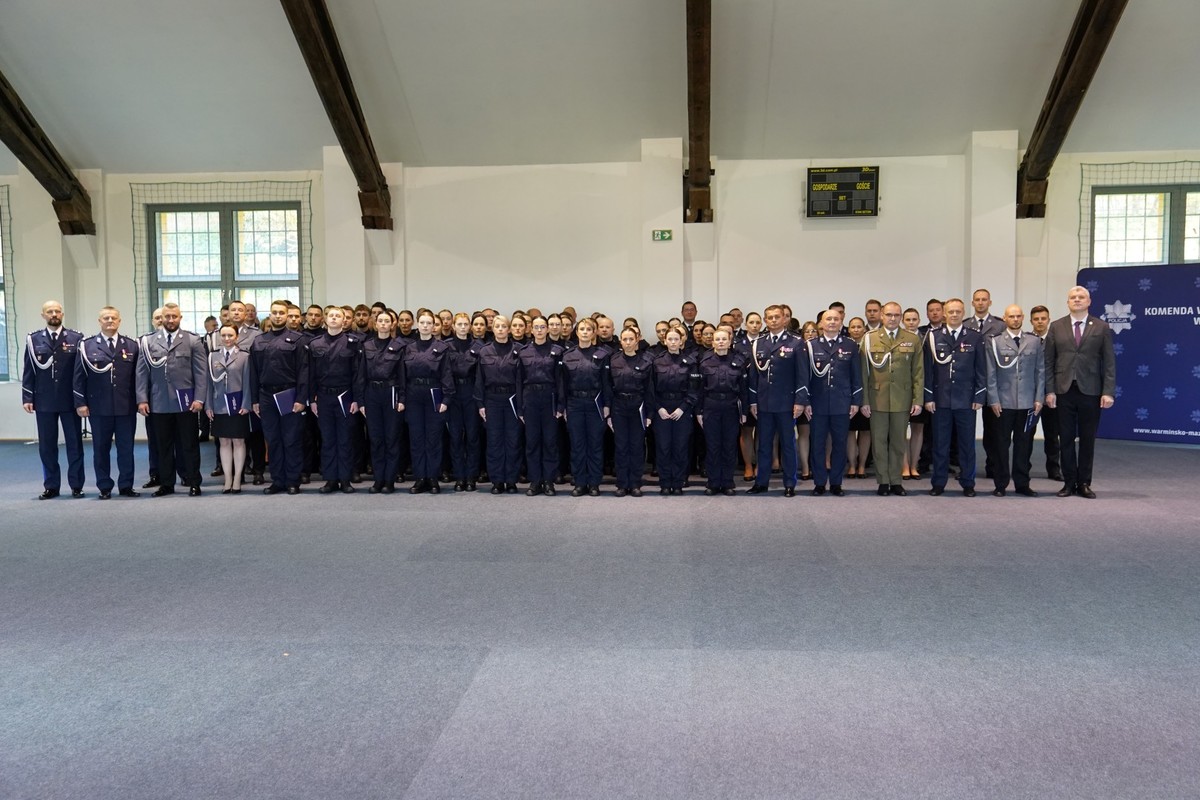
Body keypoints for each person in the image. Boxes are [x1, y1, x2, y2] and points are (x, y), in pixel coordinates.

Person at [1044, 285, 1116, 499]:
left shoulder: (1101, 327)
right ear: (1067, 302)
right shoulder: (1056, 326)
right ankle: (1068, 482)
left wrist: (1108, 392)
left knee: (1087, 439)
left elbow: (1109, 362)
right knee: (1064, 438)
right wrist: (1050, 391)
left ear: (1089, 301)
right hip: (1063, 390)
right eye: (1073, 297)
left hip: (1091, 391)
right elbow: (1048, 362)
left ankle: (1084, 482)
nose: (1077, 299)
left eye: (1081, 297)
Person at [136, 303, 208, 496]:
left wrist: (199, 399)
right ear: (162, 318)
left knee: (189, 445)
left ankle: (194, 482)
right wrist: (142, 399)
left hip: (186, 403)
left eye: (174, 316)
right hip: (159, 403)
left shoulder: (192, 340)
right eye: (167, 316)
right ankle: (167, 484)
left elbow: (201, 374)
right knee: (163, 446)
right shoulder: (149, 342)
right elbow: (142, 373)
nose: (170, 320)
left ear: (180, 317)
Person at [73, 306, 140, 499]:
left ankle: (126, 485)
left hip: (125, 406)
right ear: (99, 321)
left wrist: (139, 401)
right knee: (100, 449)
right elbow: (78, 378)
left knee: (126, 449)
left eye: (113, 318)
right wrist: (80, 403)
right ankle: (104, 486)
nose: (110, 321)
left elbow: (138, 378)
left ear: (120, 321)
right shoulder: (87, 346)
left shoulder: (131, 345)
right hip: (98, 408)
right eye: (106, 318)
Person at [22, 300, 86, 499]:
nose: (54, 314)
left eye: (57, 311)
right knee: (47, 446)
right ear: (43, 315)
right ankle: (51, 486)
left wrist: (81, 399)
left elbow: (80, 373)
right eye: (50, 311)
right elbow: (28, 371)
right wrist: (27, 396)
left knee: (75, 444)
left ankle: (76, 485)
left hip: (69, 401)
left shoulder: (76, 338)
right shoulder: (34, 340)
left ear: (62, 314)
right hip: (44, 401)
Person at [923, 298, 986, 497]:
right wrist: (928, 397)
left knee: (967, 444)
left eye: (958, 311)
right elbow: (927, 370)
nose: (954, 315)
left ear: (963, 312)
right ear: (944, 313)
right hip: (940, 399)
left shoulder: (975, 337)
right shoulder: (933, 337)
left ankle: (968, 482)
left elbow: (981, 368)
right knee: (940, 443)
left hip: (966, 399)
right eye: (950, 312)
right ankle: (938, 482)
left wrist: (979, 395)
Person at [860, 302, 924, 496]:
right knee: (879, 442)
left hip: (901, 399)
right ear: (881, 315)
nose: (892, 318)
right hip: (876, 398)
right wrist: (864, 401)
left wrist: (917, 400)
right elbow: (863, 373)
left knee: (898, 441)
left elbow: (919, 372)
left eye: (896, 315)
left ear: (901, 317)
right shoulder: (870, 339)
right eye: (889, 314)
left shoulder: (912, 339)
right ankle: (882, 481)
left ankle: (896, 480)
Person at [248, 299, 310, 495]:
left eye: (282, 312)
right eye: (274, 312)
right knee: (273, 440)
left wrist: (301, 398)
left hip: (289, 394)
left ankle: (292, 480)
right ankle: (277, 480)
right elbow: (253, 373)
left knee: (291, 439)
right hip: (266, 396)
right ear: (270, 315)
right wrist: (255, 400)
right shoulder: (259, 340)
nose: (278, 315)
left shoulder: (298, 340)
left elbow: (304, 371)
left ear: (288, 315)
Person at [747, 305, 808, 496]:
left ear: (785, 319)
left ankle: (790, 483)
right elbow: (753, 376)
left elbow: (802, 375)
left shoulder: (797, 343)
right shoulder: (759, 343)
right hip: (764, 403)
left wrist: (800, 401)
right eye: (769, 318)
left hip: (786, 403)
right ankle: (761, 482)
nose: (773, 320)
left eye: (777, 317)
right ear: (765, 321)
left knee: (788, 444)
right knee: (764, 445)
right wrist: (753, 401)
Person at [985, 305, 1045, 497]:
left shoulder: (1034, 341)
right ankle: (1000, 483)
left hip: (1028, 403)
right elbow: (991, 373)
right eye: (1011, 316)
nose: (1015, 319)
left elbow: (1040, 372)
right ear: (1005, 318)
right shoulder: (995, 342)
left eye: (1019, 316)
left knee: (1024, 445)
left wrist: (1039, 398)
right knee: (1001, 445)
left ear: (1023, 318)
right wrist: (993, 399)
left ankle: (1022, 483)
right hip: (1003, 402)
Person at [804, 308, 861, 497]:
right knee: (817, 444)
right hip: (817, 403)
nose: (832, 322)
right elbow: (805, 377)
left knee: (840, 443)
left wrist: (856, 400)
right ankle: (819, 482)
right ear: (821, 323)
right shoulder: (811, 346)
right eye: (828, 319)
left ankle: (836, 482)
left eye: (836, 319)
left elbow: (856, 376)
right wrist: (805, 401)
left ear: (841, 322)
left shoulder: (850, 345)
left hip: (841, 402)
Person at [308, 306, 364, 493]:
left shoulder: (352, 343)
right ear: (325, 319)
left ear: (344, 320)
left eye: (337, 316)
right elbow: (311, 375)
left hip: (345, 397)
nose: (334, 319)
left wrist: (357, 399)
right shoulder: (315, 344)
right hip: (323, 397)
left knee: (345, 439)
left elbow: (358, 374)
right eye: (331, 315)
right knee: (328, 439)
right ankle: (331, 479)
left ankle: (345, 479)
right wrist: (312, 400)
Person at [398, 311, 453, 494]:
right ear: (417, 324)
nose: (425, 326)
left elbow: (446, 374)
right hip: (414, 396)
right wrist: (402, 399)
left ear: (433, 326)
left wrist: (446, 398)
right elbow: (403, 377)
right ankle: (420, 478)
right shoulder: (409, 348)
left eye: (429, 323)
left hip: (433, 394)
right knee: (416, 438)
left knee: (433, 438)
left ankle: (433, 478)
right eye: (422, 322)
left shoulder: (442, 348)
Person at [560, 317, 611, 496]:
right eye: (581, 329)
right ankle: (580, 482)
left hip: (595, 403)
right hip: (574, 403)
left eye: (588, 329)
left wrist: (607, 405)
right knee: (577, 444)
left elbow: (606, 382)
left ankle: (594, 483)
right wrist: (563, 406)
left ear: (594, 332)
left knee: (595, 444)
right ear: (577, 332)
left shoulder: (603, 355)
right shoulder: (567, 355)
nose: (585, 332)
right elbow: (563, 384)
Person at [516, 316, 565, 496]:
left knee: (550, 442)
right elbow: (519, 381)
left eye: (542, 327)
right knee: (532, 442)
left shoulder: (557, 351)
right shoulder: (523, 351)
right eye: (536, 327)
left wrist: (561, 405)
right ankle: (535, 481)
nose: (539, 330)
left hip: (549, 397)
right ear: (531, 329)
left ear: (547, 329)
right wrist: (520, 407)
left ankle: (549, 481)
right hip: (530, 398)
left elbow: (561, 380)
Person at [359, 310, 406, 493]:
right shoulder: (367, 345)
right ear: (375, 324)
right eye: (381, 321)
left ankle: (390, 480)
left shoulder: (399, 346)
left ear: (392, 324)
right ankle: (378, 479)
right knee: (376, 439)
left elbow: (403, 374)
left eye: (387, 321)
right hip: (372, 394)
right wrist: (361, 400)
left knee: (392, 438)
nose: (384, 324)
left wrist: (402, 398)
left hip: (391, 392)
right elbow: (361, 375)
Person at [696, 327, 747, 496]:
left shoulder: (739, 360)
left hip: (731, 406)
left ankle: (727, 482)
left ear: (730, 341)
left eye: (724, 339)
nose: (720, 342)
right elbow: (699, 389)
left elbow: (744, 389)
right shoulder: (705, 361)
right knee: (712, 445)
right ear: (713, 342)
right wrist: (699, 411)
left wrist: (744, 411)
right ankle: (712, 482)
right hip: (711, 405)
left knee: (729, 445)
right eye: (717, 339)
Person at [475, 315, 523, 494]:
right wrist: (480, 404)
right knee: (494, 441)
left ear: (509, 329)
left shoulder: (518, 350)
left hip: (512, 398)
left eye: (504, 326)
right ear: (492, 329)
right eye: (497, 326)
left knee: (513, 440)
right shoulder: (485, 351)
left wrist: (520, 404)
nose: (501, 329)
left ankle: (511, 480)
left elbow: (521, 379)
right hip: (492, 399)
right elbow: (479, 380)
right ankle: (497, 480)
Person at [650, 326, 699, 495]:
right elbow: (651, 389)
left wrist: (683, 408)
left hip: (682, 408)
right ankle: (665, 483)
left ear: (681, 341)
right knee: (663, 447)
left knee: (680, 447)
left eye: (676, 339)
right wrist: (659, 408)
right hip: (662, 408)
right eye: (669, 339)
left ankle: (678, 482)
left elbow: (694, 390)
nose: (672, 342)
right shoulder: (656, 361)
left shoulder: (690, 362)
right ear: (664, 341)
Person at [607, 326, 655, 497]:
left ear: (637, 341)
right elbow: (608, 388)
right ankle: (621, 484)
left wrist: (649, 414)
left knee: (636, 446)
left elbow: (650, 390)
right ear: (621, 341)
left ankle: (635, 483)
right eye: (624, 339)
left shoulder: (646, 361)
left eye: (631, 339)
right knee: (621, 446)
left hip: (638, 406)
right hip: (619, 405)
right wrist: (609, 413)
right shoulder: (613, 360)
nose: (628, 342)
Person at [205, 324, 253, 493]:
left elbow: (248, 382)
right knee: (223, 442)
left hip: (237, 405)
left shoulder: (244, 357)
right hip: (218, 406)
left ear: (236, 337)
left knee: (239, 441)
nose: (226, 338)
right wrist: (208, 405)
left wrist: (246, 404)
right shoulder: (212, 356)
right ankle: (228, 479)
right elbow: (208, 383)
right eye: (223, 335)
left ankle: (238, 478)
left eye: (230, 335)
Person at [445, 313, 483, 492]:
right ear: (453, 326)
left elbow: (481, 376)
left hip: (471, 394)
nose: (462, 327)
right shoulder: (446, 347)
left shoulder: (479, 347)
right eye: (459, 324)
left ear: (470, 326)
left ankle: (471, 476)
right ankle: (459, 476)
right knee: (455, 437)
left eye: (465, 324)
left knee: (473, 437)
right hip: (453, 395)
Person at [1029, 305, 1063, 481]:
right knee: (1027, 434)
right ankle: (1023, 468)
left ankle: (1054, 469)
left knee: (1052, 435)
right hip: (1030, 396)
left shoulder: (1057, 340)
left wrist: (1052, 391)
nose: (1040, 322)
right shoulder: (1026, 340)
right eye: (1036, 319)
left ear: (1048, 320)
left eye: (1043, 318)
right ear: (1031, 321)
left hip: (1051, 395)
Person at [901, 308, 927, 479]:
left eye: (914, 319)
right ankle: (904, 466)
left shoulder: (927, 338)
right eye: (908, 319)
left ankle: (914, 465)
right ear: (903, 321)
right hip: (901, 391)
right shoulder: (899, 338)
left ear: (919, 321)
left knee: (918, 429)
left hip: (919, 390)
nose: (911, 322)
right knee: (901, 430)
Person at [845, 316, 871, 479]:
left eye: (859, 327)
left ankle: (862, 465)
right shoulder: (845, 345)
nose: (856, 329)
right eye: (853, 327)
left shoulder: (870, 345)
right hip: (849, 395)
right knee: (849, 431)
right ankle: (852, 465)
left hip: (868, 394)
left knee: (865, 431)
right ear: (848, 329)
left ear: (864, 329)